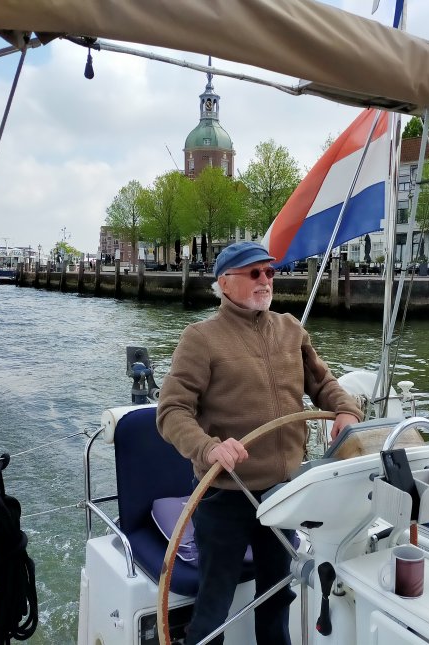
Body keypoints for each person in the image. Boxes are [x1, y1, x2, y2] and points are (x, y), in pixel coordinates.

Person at [157, 241, 362, 645]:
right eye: (254, 273)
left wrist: (346, 410)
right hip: (224, 496)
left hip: (284, 493)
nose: (265, 280)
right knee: (214, 603)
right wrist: (209, 447)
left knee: (277, 596)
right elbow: (172, 412)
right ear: (225, 283)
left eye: (269, 273)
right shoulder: (201, 338)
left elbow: (323, 384)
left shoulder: (290, 330)